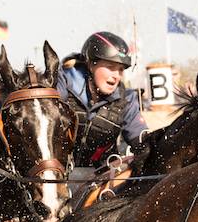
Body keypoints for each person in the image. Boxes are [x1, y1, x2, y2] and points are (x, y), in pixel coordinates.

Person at [57, 30, 148, 168]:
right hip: (57, 176)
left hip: (101, 178)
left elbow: (143, 142)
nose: (116, 75)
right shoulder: (63, 84)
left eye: (121, 70)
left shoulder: (127, 100)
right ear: (91, 64)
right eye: (110, 67)